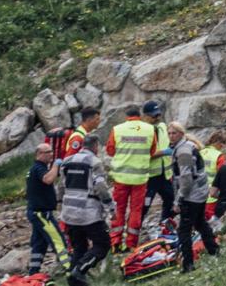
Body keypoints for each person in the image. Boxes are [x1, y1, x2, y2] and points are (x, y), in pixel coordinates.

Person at [59, 134, 113, 286]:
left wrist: (60, 205)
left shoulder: (67, 161)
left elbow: (61, 187)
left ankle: (73, 280)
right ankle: (80, 271)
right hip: (88, 213)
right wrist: (110, 207)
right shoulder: (94, 162)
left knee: (79, 247)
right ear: (95, 146)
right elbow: (101, 187)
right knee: (102, 244)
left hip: (69, 213)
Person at [167, 122, 220, 273]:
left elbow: (186, 178)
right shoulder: (188, 146)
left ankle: (188, 265)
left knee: (183, 230)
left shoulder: (183, 151)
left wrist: (179, 200)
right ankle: (214, 250)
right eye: (169, 133)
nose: (171, 136)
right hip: (200, 192)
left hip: (191, 195)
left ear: (181, 133)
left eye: (174, 133)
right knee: (200, 224)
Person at [105, 105, 157, 251]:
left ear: (127, 116)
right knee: (136, 210)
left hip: (121, 178)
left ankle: (115, 242)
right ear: (139, 115)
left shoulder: (118, 129)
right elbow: (152, 151)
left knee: (119, 209)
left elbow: (110, 151)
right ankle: (131, 243)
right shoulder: (149, 129)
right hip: (140, 179)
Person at [25, 143, 70, 276]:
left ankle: (33, 273)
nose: (51, 154)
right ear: (39, 154)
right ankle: (70, 270)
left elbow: (50, 176)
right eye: (47, 152)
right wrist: (56, 165)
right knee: (59, 241)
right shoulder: (38, 168)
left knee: (39, 244)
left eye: (51, 151)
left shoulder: (39, 168)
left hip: (36, 212)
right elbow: (48, 179)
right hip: (42, 214)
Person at [141, 101, 175, 228]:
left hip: (164, 175)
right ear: (145, 116)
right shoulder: (143, 131)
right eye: (154, 116)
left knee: (171, 200)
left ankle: (165, 226)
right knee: (144, 206)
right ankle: (132, 235)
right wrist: (164, 152)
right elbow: (144, 154)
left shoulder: (161, 127)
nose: (157, 118)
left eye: (158, 115)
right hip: (149, 177)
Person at [200, 131, 226, 222]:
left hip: (197, 195)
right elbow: (223, 176)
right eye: (223, 144)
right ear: (219, 143)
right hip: (211, 196)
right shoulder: (219, 156)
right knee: (210, 224)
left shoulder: (200, 152)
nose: (223, 147)